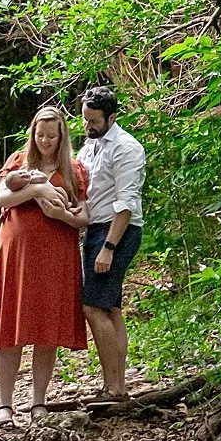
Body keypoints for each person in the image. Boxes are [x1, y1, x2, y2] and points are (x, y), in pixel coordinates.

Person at [0, 103, 90, 425]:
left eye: (51, 136)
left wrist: (59, 213)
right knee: (12, 328)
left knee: (46, 327)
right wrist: (39, 188)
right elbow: (3, 199)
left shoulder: (74, 170)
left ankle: (38, 402)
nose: (45, 141)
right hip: (18, 255)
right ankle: (5, 404)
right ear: (33, 134)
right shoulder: (18, 163)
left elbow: (84, 218)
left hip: (56, 257)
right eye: (40, 135)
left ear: (61, 137)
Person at [74, 84, 146, 404]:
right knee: (112, 308)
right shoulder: (88, 147)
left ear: (112, 117)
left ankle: (115, 388)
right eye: (84, 119)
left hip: (119, 231)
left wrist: (109, 247)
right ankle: (116, 385)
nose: (88, 125)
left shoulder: (127, 148)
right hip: (94, 230)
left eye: (94, 120)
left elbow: (126, 203)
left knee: (92, 306)